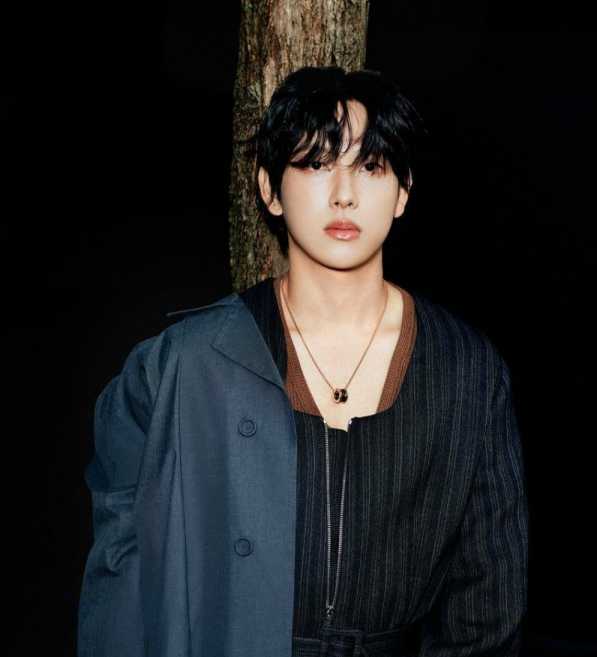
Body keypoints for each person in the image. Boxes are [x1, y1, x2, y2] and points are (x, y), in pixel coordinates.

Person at [78, 66, 528, 657]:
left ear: (402, 192)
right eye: (316, 164)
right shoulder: (184, 365)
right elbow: (121, 584)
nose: (344, 193)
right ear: (269, 188)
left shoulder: (466, 369)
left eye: (371, 166)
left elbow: (488, 606)